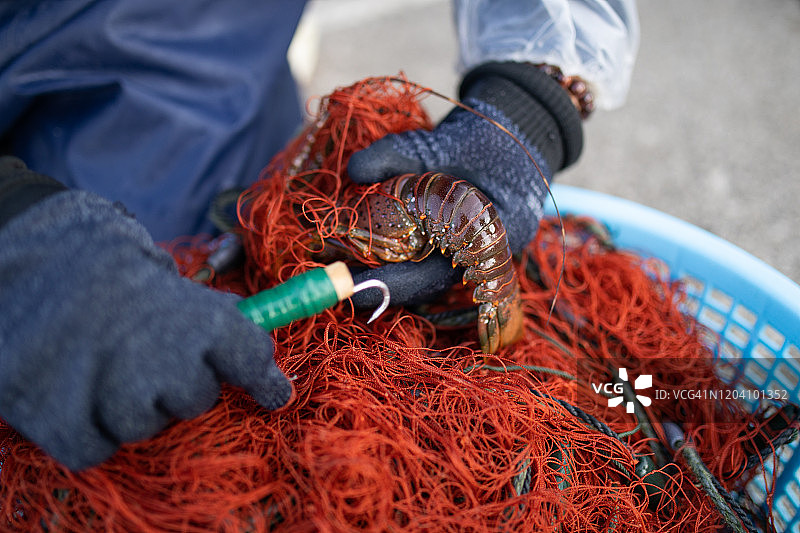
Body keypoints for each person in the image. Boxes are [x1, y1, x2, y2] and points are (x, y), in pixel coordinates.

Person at [0, 1, 638, 471]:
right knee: (112, 389)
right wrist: (19, 240)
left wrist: (529, 99)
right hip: (40, 198)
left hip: (220, 91)